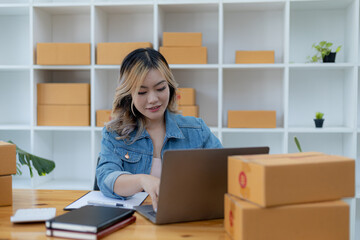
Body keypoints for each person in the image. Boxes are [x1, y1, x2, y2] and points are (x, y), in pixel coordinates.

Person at [96, 48, 223, 211]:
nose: (153, 99)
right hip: (135, 222)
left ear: (169, 87)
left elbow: (224, 171)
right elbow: (106, 178)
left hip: (186, 217)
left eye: (160, 88)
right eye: (142, 92)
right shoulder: (115, 134)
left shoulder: (196, 130)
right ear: (129, 95)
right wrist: (142, 180)